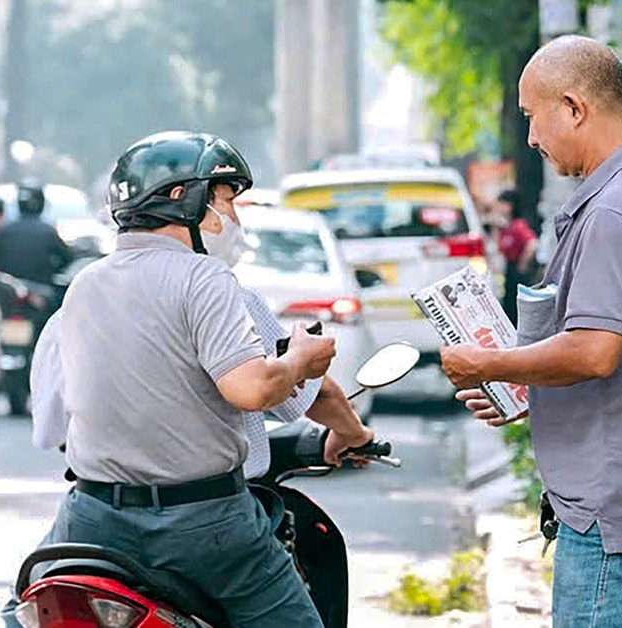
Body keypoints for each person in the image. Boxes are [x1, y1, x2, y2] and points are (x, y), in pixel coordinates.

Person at [438, 35, 622, 626]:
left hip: (614, 512)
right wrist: (525, 390)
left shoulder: (617, 210)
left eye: (532, 117)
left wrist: (486, 364)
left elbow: (593, 353)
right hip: (620, 499)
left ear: (573, 107)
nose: (532, 138)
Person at [36, 131, 371, 626]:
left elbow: (51, 426)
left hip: (92, 518)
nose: (233, 219)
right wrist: (300, 359)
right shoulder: (205, 279)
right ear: (184, 200)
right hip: (205, 524)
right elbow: (253, 388)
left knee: (24, 602)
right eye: (228, 201)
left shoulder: (84, 286)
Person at [0, 182, 74, 286]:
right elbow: (67, 258)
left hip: (8, 290)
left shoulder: (3, 230)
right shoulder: (48, 231)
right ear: (41, 203)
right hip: (41, 290)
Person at [487, 188, 539, 323]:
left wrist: (523, 264)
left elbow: (532, 244)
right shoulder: (505, 227)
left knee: (515, 308)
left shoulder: (518, 226)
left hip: (517, 271)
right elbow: (497, 247)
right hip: (508, 271)